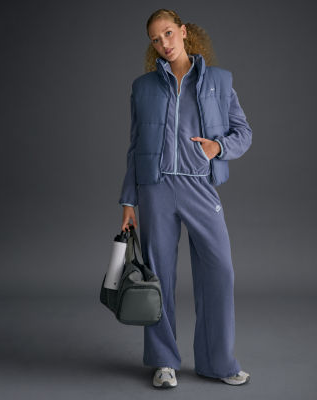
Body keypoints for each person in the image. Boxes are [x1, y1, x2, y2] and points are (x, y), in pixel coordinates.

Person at [118, 8, 253, 388]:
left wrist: (218, 147)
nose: (163, 43)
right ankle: (163, 362)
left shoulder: (219, 81)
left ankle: (218, 362)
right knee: (158, 275)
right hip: (156, 189)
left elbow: (244, 133)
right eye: (155, 39)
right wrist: (128, 202)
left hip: (199, 187)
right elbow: (135, 147)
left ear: (183, 31)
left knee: (219, 271)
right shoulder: (143, 87)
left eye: (167, 33)